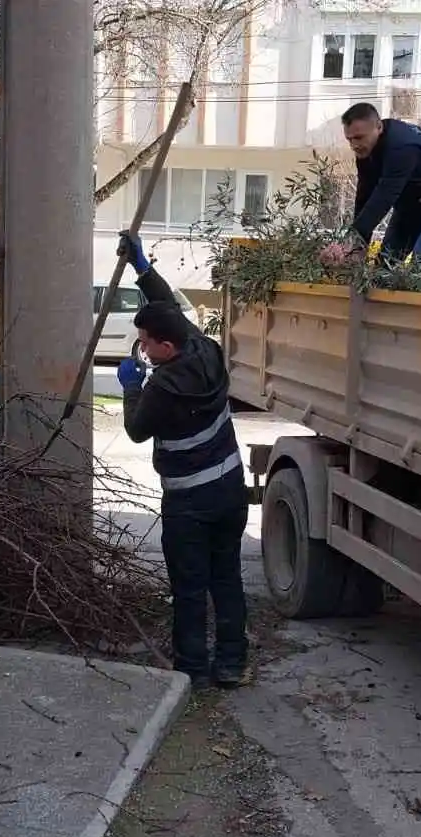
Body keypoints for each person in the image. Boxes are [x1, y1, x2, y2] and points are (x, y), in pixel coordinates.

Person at [114, 231, 249, 690]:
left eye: (147, 343)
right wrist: (142, 269)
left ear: (165, 349)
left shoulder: (162, 390)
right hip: (231, 490)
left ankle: (191, 669)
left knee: (190, 587)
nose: (144, 348)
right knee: (226, 578)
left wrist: (130, 384)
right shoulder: (205, 350)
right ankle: (232, 663)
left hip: (190, 504)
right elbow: (170, 309)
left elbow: (135, 429)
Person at [341, 102, 421, 267]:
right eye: (349, 139)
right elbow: (364, 196)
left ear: (379, 127)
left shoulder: (402, 146)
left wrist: (353, 238)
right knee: (385, 265)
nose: (354, 146)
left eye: (359, 137)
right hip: (411, 204)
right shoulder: (365, 152)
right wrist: (358, 246)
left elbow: (384, 196)